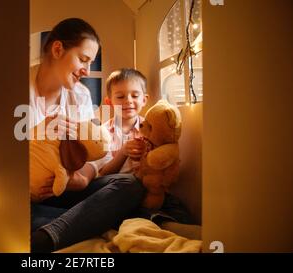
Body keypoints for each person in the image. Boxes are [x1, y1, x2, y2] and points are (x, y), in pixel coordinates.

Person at [30, 18, 144, 253]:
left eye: (90, 62)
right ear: (58, 49)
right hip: (26, 195)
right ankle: (79, 222)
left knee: (129, 184)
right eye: (83, 59)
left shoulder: (80, 96)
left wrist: (80, 179)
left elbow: (97, 156)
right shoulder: (16, 89)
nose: (87, 70)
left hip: (67, 190)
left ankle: (47, 235)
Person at [98, 68, 193, 226]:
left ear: (144, 100)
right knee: (130, 209)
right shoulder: (103, 133)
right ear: (109, 102)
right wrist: (123, 152)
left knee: (178, 211)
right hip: (120, 193)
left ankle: (165, 221)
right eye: (120, 96)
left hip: (151, 190)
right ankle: (149, 220)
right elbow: (102, 174)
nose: (128, 100)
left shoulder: (153, 129)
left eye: (135, 96)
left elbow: (164, 159)